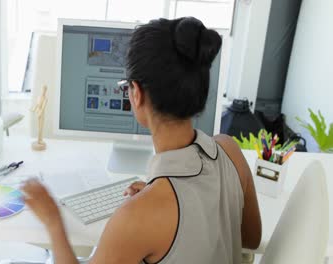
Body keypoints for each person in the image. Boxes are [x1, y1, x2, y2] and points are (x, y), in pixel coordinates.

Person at [22, 17, 262, 264]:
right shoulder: (229, 150)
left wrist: (53, 221)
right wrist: (159, 193)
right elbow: (251, 240)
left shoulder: (137, 217)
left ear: (135, 94)